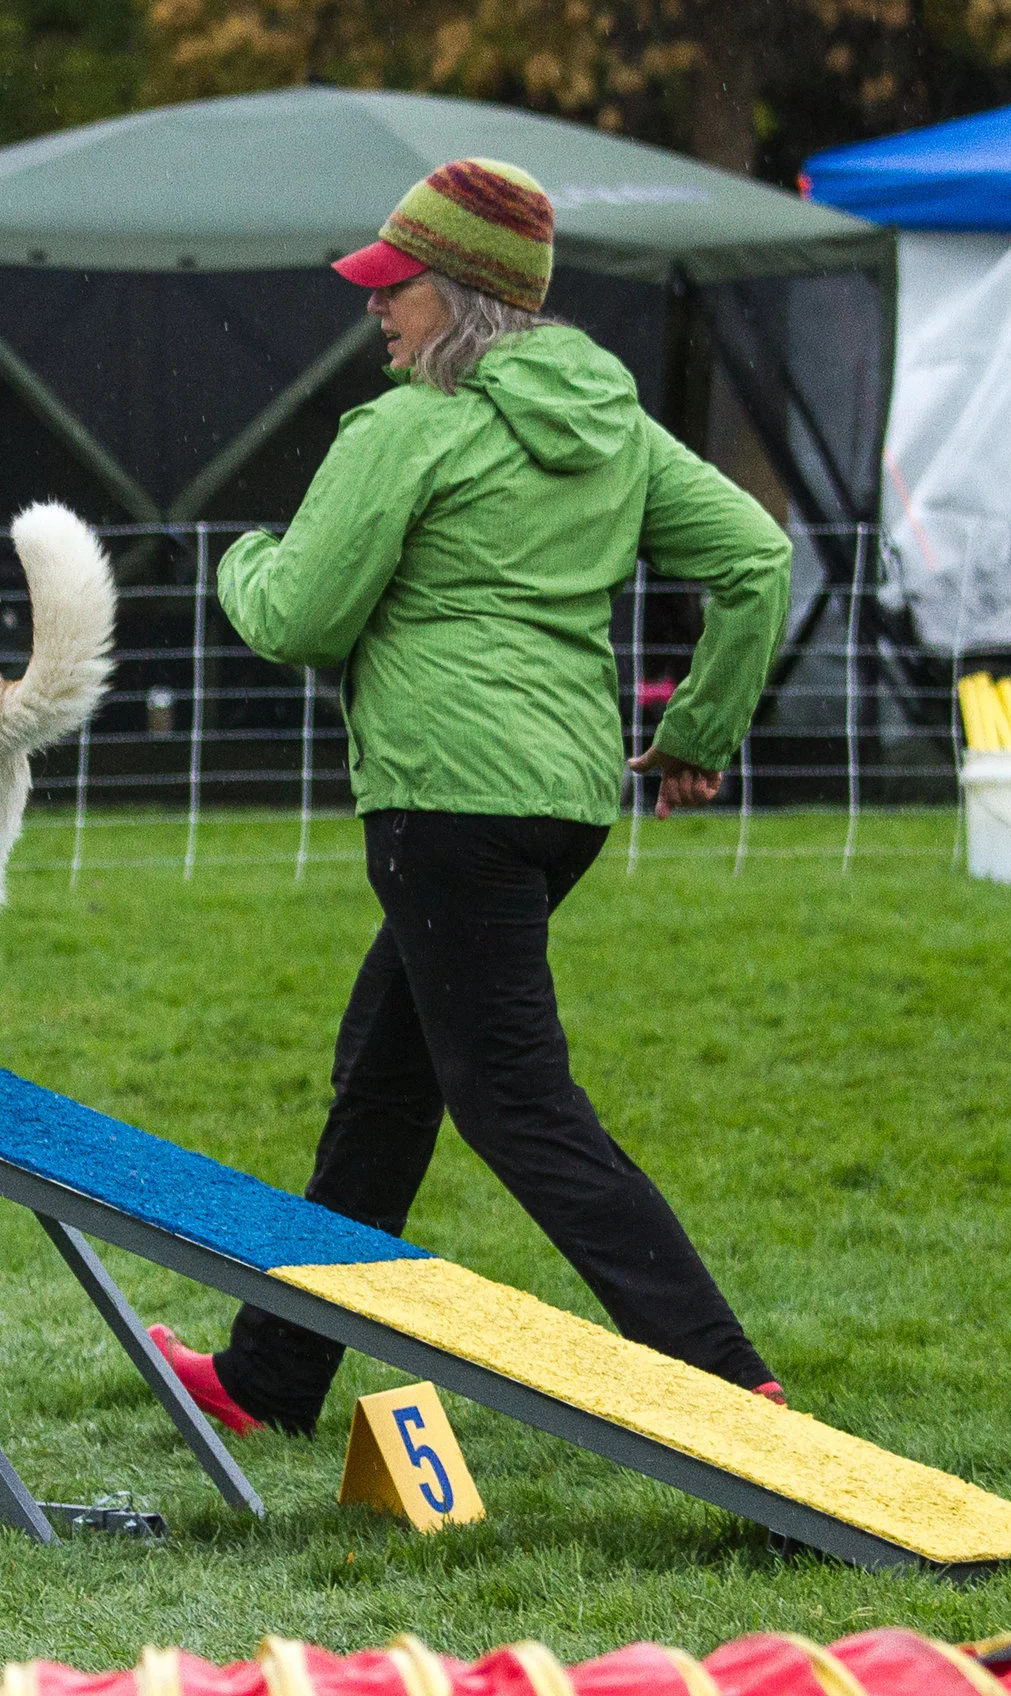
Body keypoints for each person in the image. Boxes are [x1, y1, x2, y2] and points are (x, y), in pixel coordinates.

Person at [148, 158, 790, 1437]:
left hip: (443, 798)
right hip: (560, 802)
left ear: (464, 298)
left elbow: (299, 617)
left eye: (397, 290)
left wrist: (242, 558)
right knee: (383, 1084)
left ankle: (732, 1387)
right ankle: (272, 1375)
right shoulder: (612, 429)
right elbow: (757, 560)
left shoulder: (403, 430)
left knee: (514, 1101)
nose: (375, 310)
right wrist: (690, 735)